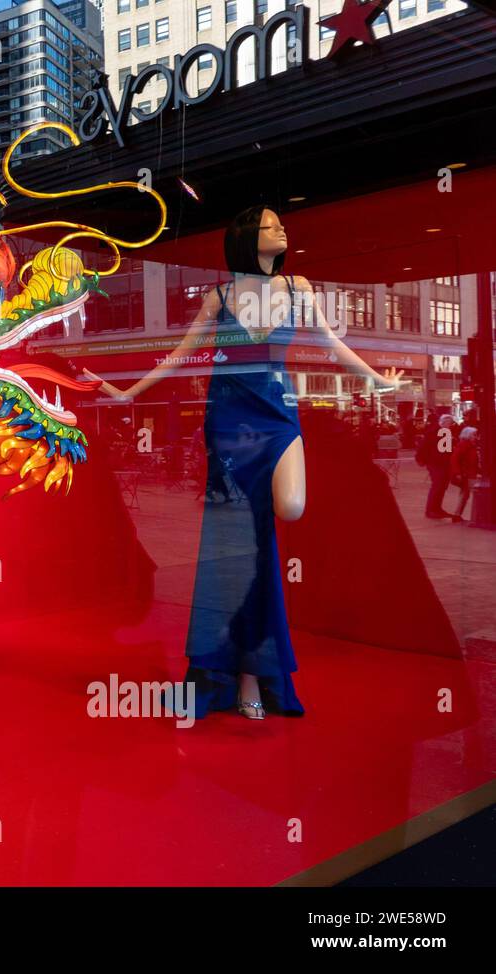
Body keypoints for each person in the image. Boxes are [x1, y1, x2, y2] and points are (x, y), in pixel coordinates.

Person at [86, 206, 410, 720]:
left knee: (292, 506)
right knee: (237, 547)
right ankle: (247, 676)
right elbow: (179, 354)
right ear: (246, 237)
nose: (282, 229)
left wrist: (379, 380)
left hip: (278, 415)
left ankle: (248, 669)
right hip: (230, 424)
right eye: (271, 223)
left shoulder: (299, 286)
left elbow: (330, 341)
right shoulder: (219, 297)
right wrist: (129, 394)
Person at [420, 411, 457, 520]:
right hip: (436, 463)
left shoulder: (446, 432)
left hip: (443, 463)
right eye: (449, 423)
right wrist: (423, 460)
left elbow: (447, 450)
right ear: (444, 422)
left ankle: (437, 508)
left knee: (442, 486)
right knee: (437, 485)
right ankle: (431, 510)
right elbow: (425, 446)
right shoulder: (434, 432)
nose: (451, 425)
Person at [451, 409, 480, 522]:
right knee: (472, 493)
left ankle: (457, 514)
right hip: (467, 474)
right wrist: (457, 473)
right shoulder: (464, 445)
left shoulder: (470, 445)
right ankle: (473, 515)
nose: (476, 437)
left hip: (469, 473)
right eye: (474, 435)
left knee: (465, 494)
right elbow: (455, 459)